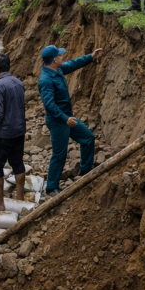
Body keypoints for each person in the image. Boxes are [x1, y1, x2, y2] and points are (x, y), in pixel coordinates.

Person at [38, 44, 103, 197]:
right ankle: (51, 187)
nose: (62, 57)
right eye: (60, 55)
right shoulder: (46, 80)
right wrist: (65, 119)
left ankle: (85, 171)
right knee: (59, 154)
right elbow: (49, 105)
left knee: (88, 138)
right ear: (55, 59)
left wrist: (91, 57)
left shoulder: (57, 69)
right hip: (58, 121)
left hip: (68, 117)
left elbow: (73, 64)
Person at [0, 53, 27, 211]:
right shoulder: (18, 82)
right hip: (19, 130)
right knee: (17, 163)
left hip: (3, 133)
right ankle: (20, 197)